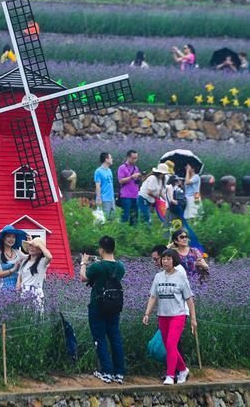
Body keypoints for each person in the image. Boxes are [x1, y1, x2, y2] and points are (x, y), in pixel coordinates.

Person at [143, 248, 196, 385]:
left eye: (168, 259)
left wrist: (193, 319)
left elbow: (189, 298)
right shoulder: (158, 277)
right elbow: (153, 296)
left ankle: (170, 375)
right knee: (168, 346)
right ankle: (183, 369)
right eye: (163, 259)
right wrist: (147, 313)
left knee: (172, 344)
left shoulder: (181, 276)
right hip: (163, 316)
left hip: (177, 316)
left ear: (174, 261)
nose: (165, 261)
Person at [80, 236, 125, 385]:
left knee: (99, 338)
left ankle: (106, 372)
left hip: (97, 306)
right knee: (115, 338)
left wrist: (83, 262)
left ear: (101, 249)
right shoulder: (121, 266)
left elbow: (83, 277)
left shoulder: (98, 266)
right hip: (114, 306)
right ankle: (119, 373)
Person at [16, 238, 52, 307]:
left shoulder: (43, 261)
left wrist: (39, 245)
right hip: (24, 292)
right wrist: (18, 290)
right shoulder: (24, 261)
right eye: (30, 246)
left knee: (36, 315)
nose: (31, 248)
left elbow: (49, 257)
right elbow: (19, 278)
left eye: (34, 247)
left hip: (36, 293)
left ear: (40, 250)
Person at [0, 226, 27, 291]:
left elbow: (31, 259)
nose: (11, 239)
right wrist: (12, 270)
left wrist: (30, 243)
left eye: (13, 237)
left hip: (18, 289)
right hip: (1, 290)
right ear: (3, 238)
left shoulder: (17, 252)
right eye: (8, 236)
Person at [117, 150, 142, 225]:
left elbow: (136, 181)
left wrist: (140, 178)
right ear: (128, 157)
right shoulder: (122, 168)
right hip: (126, 195)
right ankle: (122, 233)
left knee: (134, 217)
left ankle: (133, 234)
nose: (135, 160)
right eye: (133, 158)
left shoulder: (136, 168)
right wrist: (131, 177)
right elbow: (120, 181)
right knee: (125, 216)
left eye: (136, 158)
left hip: (135, 195)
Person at [94, 152, 115, 219]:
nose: (112, 159)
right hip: (104, 198)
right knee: (104, 218)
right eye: (111, 158)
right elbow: (97, 185)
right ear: (106, 159)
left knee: (112, 218)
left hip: (111, 198)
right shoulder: (98, 171)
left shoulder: (109, 170)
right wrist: (98, 198)